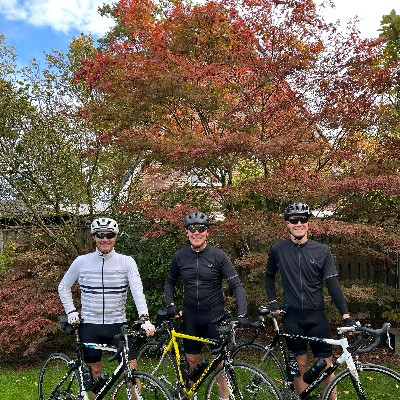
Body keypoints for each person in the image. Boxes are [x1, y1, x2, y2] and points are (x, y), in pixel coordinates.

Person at [265, 202, 354, 400]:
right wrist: (273, 301)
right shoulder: (278, 249)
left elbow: (332, 284)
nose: (299, 223)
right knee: (300, 364)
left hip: (317, 315)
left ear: (308, 222)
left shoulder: (322, 250)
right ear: (287, 223)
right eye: (294, 220)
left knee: (326, 365)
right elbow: (269, 276)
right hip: (292, 316)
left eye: (303, 219)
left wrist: (345, 315)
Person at [58, 217, 155, 386]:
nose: (105, 239)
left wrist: (144, 318)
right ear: (94, 237)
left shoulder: (127, 262)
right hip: (90, 326)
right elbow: (63, 287)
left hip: (117, 325)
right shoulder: (81, 262)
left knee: (131, 372)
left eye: (109, 235)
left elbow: (137, 290)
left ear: (115, 237)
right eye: (100, 235)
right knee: (94, 373)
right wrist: (71, 311)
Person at [164, 211, 249, 400]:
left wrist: (242, 313)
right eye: (192, 229)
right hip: (191, 316)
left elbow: (237, 285)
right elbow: (169, 282)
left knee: (220, 363)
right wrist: (171, 304)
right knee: (191, 360)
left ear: (207, 232)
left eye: (201, 229)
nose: (196, 233)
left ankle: (223, 398)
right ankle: (192, 396)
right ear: (187, 232)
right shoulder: (180, 256)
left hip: (214, 316)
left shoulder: (218, 256)